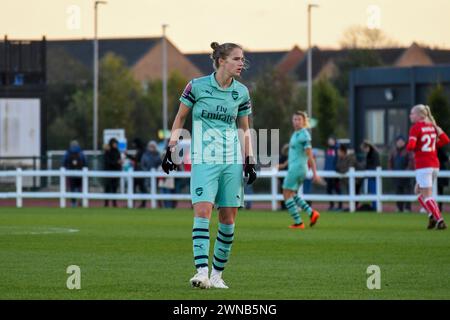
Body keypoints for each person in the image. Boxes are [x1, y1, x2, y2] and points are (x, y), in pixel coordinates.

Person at [161, 42, 256, 289]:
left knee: (228, 219)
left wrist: (249, 159)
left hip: (231, 161)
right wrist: (171, 148)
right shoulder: (197, 85)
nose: (241, 63)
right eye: (236, 59)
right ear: (221, 60)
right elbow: (180, 117)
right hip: (204, 159)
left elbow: (244, 129)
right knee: (202, 211)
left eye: (242, 59)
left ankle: (217, 275)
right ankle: (201, 271)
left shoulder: (242, 92)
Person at [407, 104, 449, 230]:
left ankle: (439, 219)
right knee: (418, 191)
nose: (410, 116)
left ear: (419, 115)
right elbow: (446, 140)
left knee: (427, 195)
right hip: (434, 164)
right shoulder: (432, 127)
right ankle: (431, 215)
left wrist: (412, 144)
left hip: (423, 165)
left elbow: (411, 146)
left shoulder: (415, 128)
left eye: (412, 113)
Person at [280, 111, 321, 229]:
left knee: (286, 193)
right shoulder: (296, 134)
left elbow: (310, 155)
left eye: (299, 119)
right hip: (295, 167)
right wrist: (284, 165)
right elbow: (294, 153)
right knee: (292, 193)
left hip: (297, 168)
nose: (296, 121)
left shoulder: (304, 135)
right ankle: (311, 213)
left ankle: (298, 222)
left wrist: (315, 173)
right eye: (294, 119)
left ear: (304, 122)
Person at [388, 135, 414, 212]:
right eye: (398, 141)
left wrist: (407, 171)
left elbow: (411, 161)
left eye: (401, 141)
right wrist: (390, 170)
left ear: (404, 142)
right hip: (397, 176)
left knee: (407, 191)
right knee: (398, 191)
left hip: (406, 176)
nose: (399, 143)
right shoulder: (393, 151)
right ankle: (399, 208)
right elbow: (390, 162)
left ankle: (407, 208)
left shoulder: (408, 151)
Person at [63, 140, 87, 207]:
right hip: (80, 173)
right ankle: (80, 200)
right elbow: (85, 162)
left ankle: (73, 203)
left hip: (71, 172)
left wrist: (65, 170)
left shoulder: (68, 152)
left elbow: (64, 162)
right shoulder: (81, 152)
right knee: (80, 187)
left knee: (72, 188)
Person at [126, 138, 148, 208]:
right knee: (140, 188)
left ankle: (136, 204)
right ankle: (140, 203)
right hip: (138, 171)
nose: (133, 145)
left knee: (137, 188)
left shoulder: (141, 151)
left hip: (139, 171)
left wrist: (128, 155)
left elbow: (136, 159)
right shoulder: (141, 150)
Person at [360, 140, 380, 211]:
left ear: (367, 147)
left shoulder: (373, 154)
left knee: (374, 191)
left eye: (364, 149)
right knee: (372, 191)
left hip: (373, 175)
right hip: (370, 175)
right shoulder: (371, 153)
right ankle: (374, 205)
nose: (364, 151)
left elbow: (375, 165)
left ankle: (375, 206)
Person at [103, 138, 122, 207]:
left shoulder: (117, 151)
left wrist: (119, 165)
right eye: (114, 143)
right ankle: (106, 203)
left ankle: (114, 203)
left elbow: (119, 161)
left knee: (115, 188)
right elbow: (107, 162)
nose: (116, 145)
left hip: (116, 172)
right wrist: (116, 163)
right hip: (108, 172)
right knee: (107, 188)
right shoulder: (107, 152)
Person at [324, 137, 342, 211]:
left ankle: (340, 206)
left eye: (331, 140)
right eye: (329, 141)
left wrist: (337, 170)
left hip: (335, 173)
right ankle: (331, 205)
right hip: (328, 173)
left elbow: (338, 160)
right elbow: (327, 162)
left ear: (334, 141)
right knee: (329, 189)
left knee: (337, 189)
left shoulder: (337, 149)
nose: (330, 142)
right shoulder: (328, 150)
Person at [437, 148, 449, 212]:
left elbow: (446, 158)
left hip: (440, 170)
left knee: (440, 190)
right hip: (434, 169)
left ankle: (439, 207)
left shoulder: (440, 149)